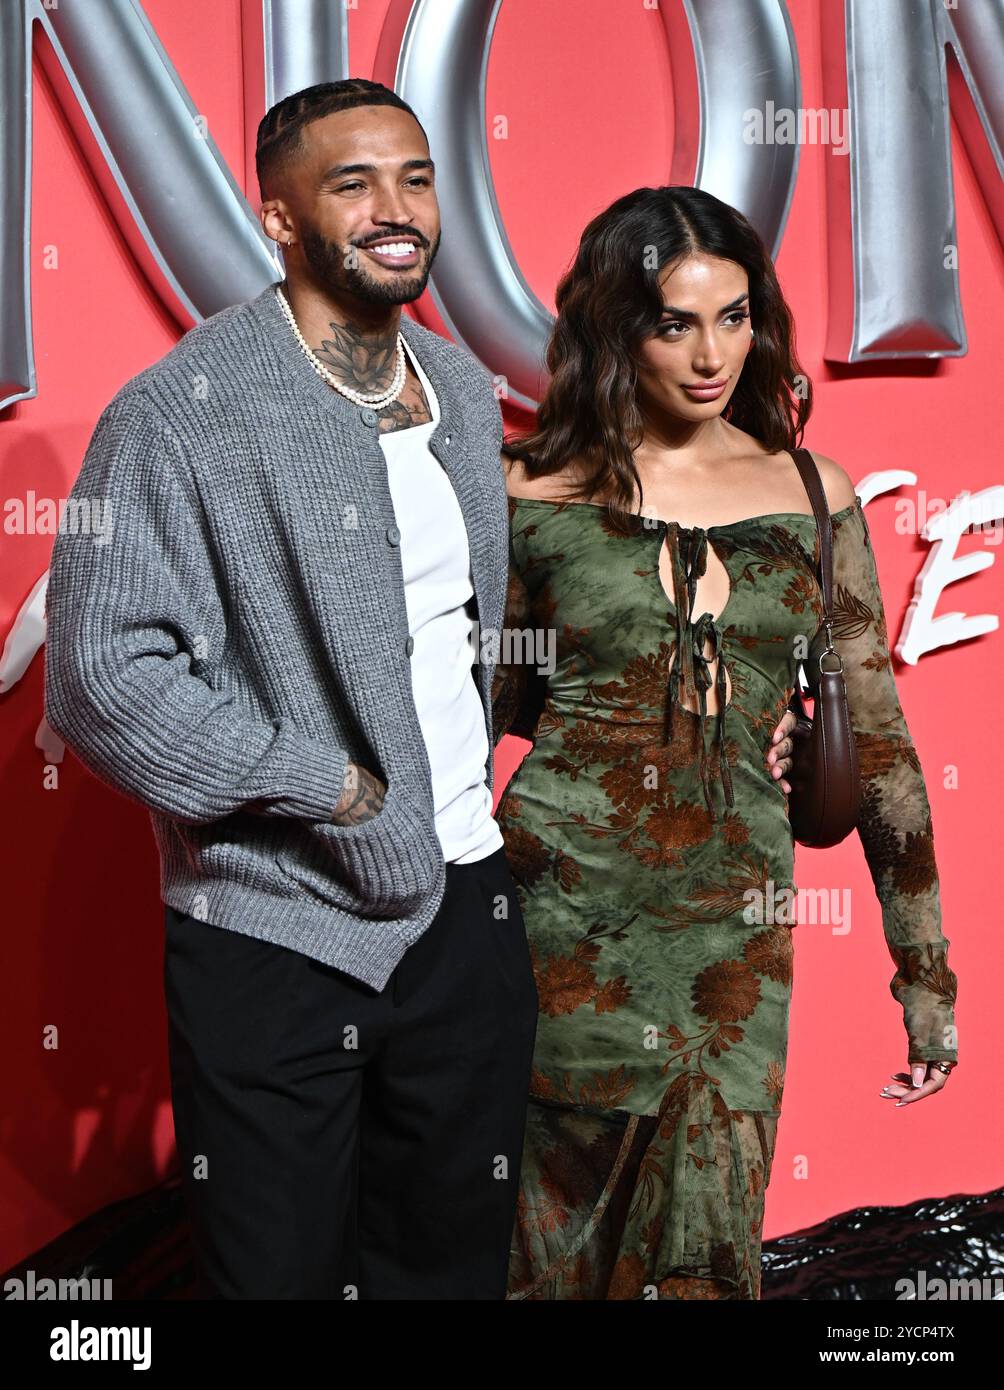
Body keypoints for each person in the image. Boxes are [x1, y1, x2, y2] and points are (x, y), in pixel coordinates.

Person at [43, 78, 542, 1300]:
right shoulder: (181, 414)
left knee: (450, 1266)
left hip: (464, 907)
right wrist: (332, 790)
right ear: (277, 216)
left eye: (414, 178)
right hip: (276, 923)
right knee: (275, 1276)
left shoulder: (460, 392)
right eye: (352, 183)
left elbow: (455, 633)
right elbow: (103, 675)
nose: (395, 210)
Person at [492, 185, 959, 1301]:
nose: (710, 354)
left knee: (705, 1253)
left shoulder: (809, 494)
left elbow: (882, 746)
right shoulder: (526, 489)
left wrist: (923, 972)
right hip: (559, 919)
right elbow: (481, 706)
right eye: (672, 323)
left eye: (734, 316)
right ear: (614, 329)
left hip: (734, 936)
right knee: (539, 1259)